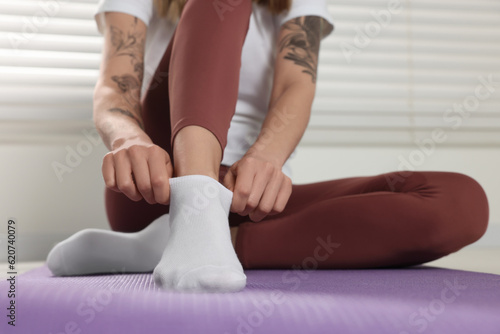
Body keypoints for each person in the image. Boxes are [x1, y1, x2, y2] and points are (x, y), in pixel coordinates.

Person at [46, 0, 489, 293]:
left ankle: (174, 244)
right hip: (156, 185)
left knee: (462, 202)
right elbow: (114, 84)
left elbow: (296, 85)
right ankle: (194, 205)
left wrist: (265, 159)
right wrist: (129, 139)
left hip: (247, 194)